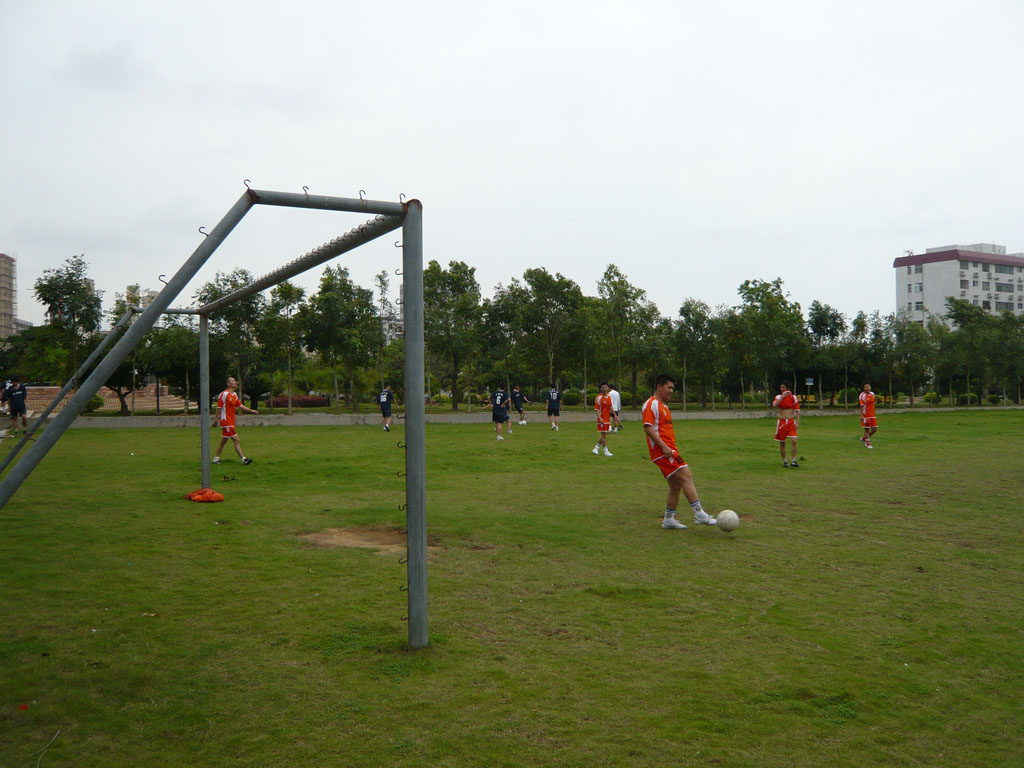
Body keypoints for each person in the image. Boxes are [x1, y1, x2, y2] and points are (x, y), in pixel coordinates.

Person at [642, 374, 716, 529]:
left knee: (675, 486)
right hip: (662, 452)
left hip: (668, 450)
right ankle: (699, 514)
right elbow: (648, 427)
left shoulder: (664, 407)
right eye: (669, 387)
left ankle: (668, 520)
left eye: (672, 388)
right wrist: (664, 446)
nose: (671, 391)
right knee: (686, 476)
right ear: (659, 387)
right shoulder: (651, 404)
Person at [213, 377, 258, 465]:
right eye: (233, 381)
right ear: (228, 384)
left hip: (231, 421)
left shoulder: (234, 395)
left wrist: (251, 410)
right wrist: (216, 420)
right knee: (236, 439)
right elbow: (219, 408)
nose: (235, 382)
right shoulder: (224, 394)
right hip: (226, 421)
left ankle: (216, 458)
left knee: (223, 441)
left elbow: (240, 405)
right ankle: (244, 459)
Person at [773, 381, 800, 467]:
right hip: (782, 422)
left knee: (794, 440)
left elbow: (798, 411)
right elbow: (774, 404)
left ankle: (794, 460)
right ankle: (785, 461)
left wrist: (797, 423)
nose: (781, 389)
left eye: (783, 387)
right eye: (781, 387)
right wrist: (782, 397)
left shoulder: (793, 397)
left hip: (791, 422)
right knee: (782, 443)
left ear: (788, 388)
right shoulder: (778, 397)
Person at [592, 382, 614, 456]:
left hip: (607, 419)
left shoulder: (609, 397)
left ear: (608, 388)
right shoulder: (598, 398)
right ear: (601, 389)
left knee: (604, 435)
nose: (604, 389)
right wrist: (600, 418)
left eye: (606, 387)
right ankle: (605, 451)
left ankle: (596, 448)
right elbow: (597, 409)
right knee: (604, 435)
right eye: (603, 387)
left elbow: (610, 407)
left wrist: (615, 416)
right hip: (602, 419)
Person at [859, 382, 877, 449]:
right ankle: (868, 444)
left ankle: (864, 438)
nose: (867, 388)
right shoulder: (862, 395)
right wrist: (861, 415)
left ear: (870, 387)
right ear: (863, 388)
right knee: (867, 430)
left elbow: (873, 403)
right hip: (866, 416)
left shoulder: (872, 394)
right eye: (865, 387)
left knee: (874, 429)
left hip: (872, 415)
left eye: (868, 386)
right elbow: (861, 405)